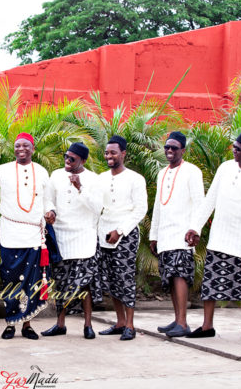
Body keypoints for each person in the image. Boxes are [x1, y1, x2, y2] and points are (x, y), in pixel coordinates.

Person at [185, 132, 241, 342]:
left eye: (238, 148)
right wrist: (195, 227)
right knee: (211, 284)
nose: (234, 150)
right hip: (219, 239)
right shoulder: (225, 168)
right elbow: (209, 201)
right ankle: (207, 326)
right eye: (234, 147)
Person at [0, 132, 50, 340]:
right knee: (11, 280)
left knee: (31, 282)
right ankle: (11, 324)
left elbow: (48, 200)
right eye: (17, 146)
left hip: (33, 235)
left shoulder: (41, 171)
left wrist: (51, 212)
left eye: (25, 146)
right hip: (10, 234)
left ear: (33, 148)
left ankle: (27, 324)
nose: (20, 149)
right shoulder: (2, 170)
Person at [41, 142, 103, 339]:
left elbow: (97, 208)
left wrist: (80, 188)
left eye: (72, 159)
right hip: (61, 238)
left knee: (84, 284)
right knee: (61, 283)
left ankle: (88, 325)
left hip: (83, 239)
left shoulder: (93, 179)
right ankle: (60, 324)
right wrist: (50, 210)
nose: (67, 161)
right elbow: (48, 199)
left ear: (83, 161)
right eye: (66, 157)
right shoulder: (56, 175)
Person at [149, 132, 204, 337]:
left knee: (180, 276)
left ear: (183, 150)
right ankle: (177, 320)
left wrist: (195, 229)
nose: (169, 151)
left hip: (183, 235)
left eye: (174, 148)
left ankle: (183, 322)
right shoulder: (162, 172)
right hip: (165, 235)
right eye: (167, 147)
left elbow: (200, 203)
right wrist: (154, 235)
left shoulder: (192, 171)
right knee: (170, 278)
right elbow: (157, 206)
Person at [96, 135, 147, 341]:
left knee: (125, 279)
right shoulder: (101, 178)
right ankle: (119, 322)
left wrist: (120, 230)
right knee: (111, 280)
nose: (109, 156)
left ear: (123, 154)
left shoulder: (135, 178)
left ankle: (130, 325)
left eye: (113, 152)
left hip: (126, 234)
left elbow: (140, 209)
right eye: (107, 152)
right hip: (104, 234)